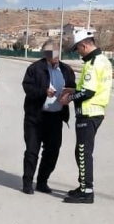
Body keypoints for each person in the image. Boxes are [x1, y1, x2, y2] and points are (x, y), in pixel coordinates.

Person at [60, 31, 112, 204]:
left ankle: (87, 192)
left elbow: (88, 92)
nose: (78, 53)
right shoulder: (104, 61)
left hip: (88, 113)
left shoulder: (92, 64)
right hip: (96, 112)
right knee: (82, 151)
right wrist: (73, 90)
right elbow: (92, 88)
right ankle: (83, 186)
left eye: (78, 49)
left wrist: (69, 98)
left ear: (84, 45)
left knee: (83, 152)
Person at [20, 39, 76, 194]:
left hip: (56, 117)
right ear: (45, 54)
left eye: (57, 53)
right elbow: (28, 88)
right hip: (35, 117)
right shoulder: (34, 69)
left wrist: (68, 96)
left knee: (52, 151)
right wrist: (44, 92)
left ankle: (42, 181)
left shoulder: (66, 70)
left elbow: (73, 88)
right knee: (32, 151)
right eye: (52, 53)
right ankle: (27, 183)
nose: (55, 56)